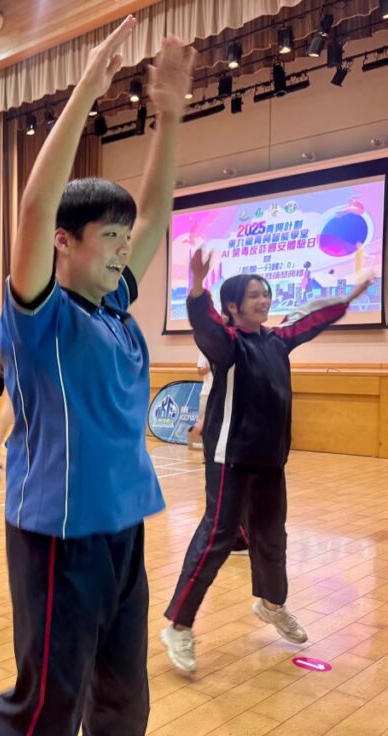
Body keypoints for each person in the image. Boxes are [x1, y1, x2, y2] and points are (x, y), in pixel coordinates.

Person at [0, 20, 196, 736]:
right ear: (64, 243)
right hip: (58, 535)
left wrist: (170, 115)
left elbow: (156, 213)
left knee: (124, 700)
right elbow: (35, 208)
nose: (122, 248)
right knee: (47, 708)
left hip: (122, 529)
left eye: (122, 238)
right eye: (107, 236)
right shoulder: (41, 316)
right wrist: (86, 93)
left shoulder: (113, 308)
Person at [160, 254, 373, 675]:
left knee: (272, 536)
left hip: (270, 461)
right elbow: (205, 323)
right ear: (233, 307)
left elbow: (310, 321)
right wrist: (197, 287)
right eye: (254, 295)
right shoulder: (227, 346)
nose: (264, 300)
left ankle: (272, 603)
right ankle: (179, 625)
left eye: (266, 294)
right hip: (231, 457)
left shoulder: (277, 340)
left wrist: (350, 296)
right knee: (217, 537)